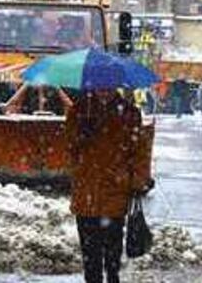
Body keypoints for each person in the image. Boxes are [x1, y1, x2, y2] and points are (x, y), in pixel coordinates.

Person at [63, 90, 151, 283]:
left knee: (113, 248)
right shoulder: (79, 111)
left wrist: (137, 180)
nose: (104, 90)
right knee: (89, 251)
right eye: (100, 85)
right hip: (86, 189)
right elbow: (69, 146)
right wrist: (81, 135)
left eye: (108, 85)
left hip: (115, 191)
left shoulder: (129, 113)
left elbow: (139, 151)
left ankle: (113, 277)